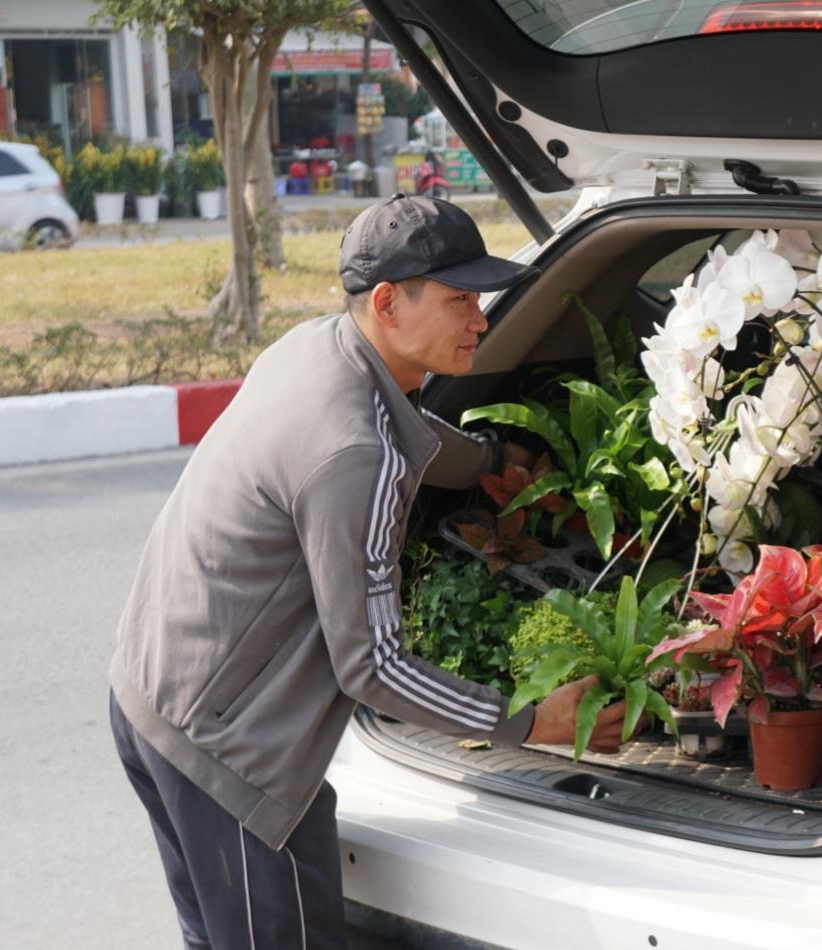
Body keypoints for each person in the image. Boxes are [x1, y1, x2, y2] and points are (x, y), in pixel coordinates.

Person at [108, 194, 627, 949]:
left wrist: (492, 461)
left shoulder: (314, 347)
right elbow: (371, 665)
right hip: (230, 757)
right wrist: (528, 722)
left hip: (149, 697)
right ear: (388, 303)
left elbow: (402, 426)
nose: (480, 318)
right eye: (459, 300)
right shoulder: (357, 455)